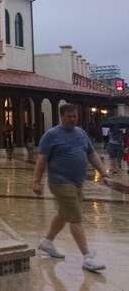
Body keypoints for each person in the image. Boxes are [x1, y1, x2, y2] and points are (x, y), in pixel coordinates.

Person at [33, 103, 110, 273]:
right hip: (60, 182)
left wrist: (103, 173)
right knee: (75, 217)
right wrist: (36, 181)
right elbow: (41, 159)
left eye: (75, 116)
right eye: (69, 116)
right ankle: (87, 258)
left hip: (77, 182)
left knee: (63, 214)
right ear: (62, 116)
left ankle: (47, 242)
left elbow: (91, 154)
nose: (73, 119)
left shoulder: (81, 133)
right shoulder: (51, 135)